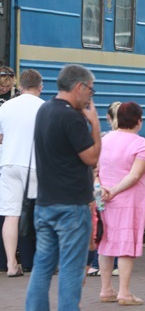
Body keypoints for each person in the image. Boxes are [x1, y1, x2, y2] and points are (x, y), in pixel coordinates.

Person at [26, 64, 101, 311]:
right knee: (71, 267)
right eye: (90, 90)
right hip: (71, 206)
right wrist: (95, 125)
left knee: (42, 267)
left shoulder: (44, 110)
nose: (91, 96)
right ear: (79, 87)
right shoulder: (72, 117)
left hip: (45, 204)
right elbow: (91, 158)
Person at [97, 102, 145, 306]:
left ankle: (106, 290)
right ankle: (124, 292)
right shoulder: (140, 144)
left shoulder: (103, 140)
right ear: (138, 121)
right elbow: (134, 175)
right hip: (129, 201)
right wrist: (114, 191)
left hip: (103, 200)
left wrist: (101, 189)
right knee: (126, 246)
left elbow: (94, 171)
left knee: (106, 243)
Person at [0, 69, 44, 277]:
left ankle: (10, 265)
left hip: (8, 163)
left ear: (20, 86)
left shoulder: (6, 106)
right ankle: (39, 262)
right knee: (37, 214)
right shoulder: (44, 108)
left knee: (11, 215)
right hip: (34, 164)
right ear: (40, 86)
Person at [87, 101, 121, 277]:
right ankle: (114, 264)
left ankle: (95, 264)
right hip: (118, 189)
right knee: (114, 227)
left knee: (100, 225)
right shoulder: (127, 138)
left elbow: (95, 165)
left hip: (101, 187)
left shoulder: (103, 138)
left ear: (108, 117)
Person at [0, 66, 20, 272]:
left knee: (9, 211)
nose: (4, 87)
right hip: (7, 155)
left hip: (8, 155)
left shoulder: (17, 98)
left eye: (7, 83)